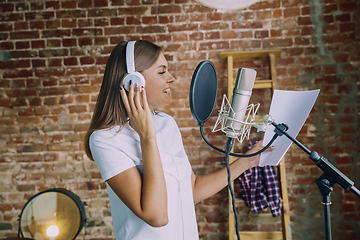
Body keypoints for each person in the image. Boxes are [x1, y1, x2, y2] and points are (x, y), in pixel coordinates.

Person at [84, 40, 273, 240]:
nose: (171, 78)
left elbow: (190, 191)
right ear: (133, 81)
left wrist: (245, 162)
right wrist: (147, 137)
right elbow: (156, 216)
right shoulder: (105, 140)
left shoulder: (167, 125)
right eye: (161, 71)